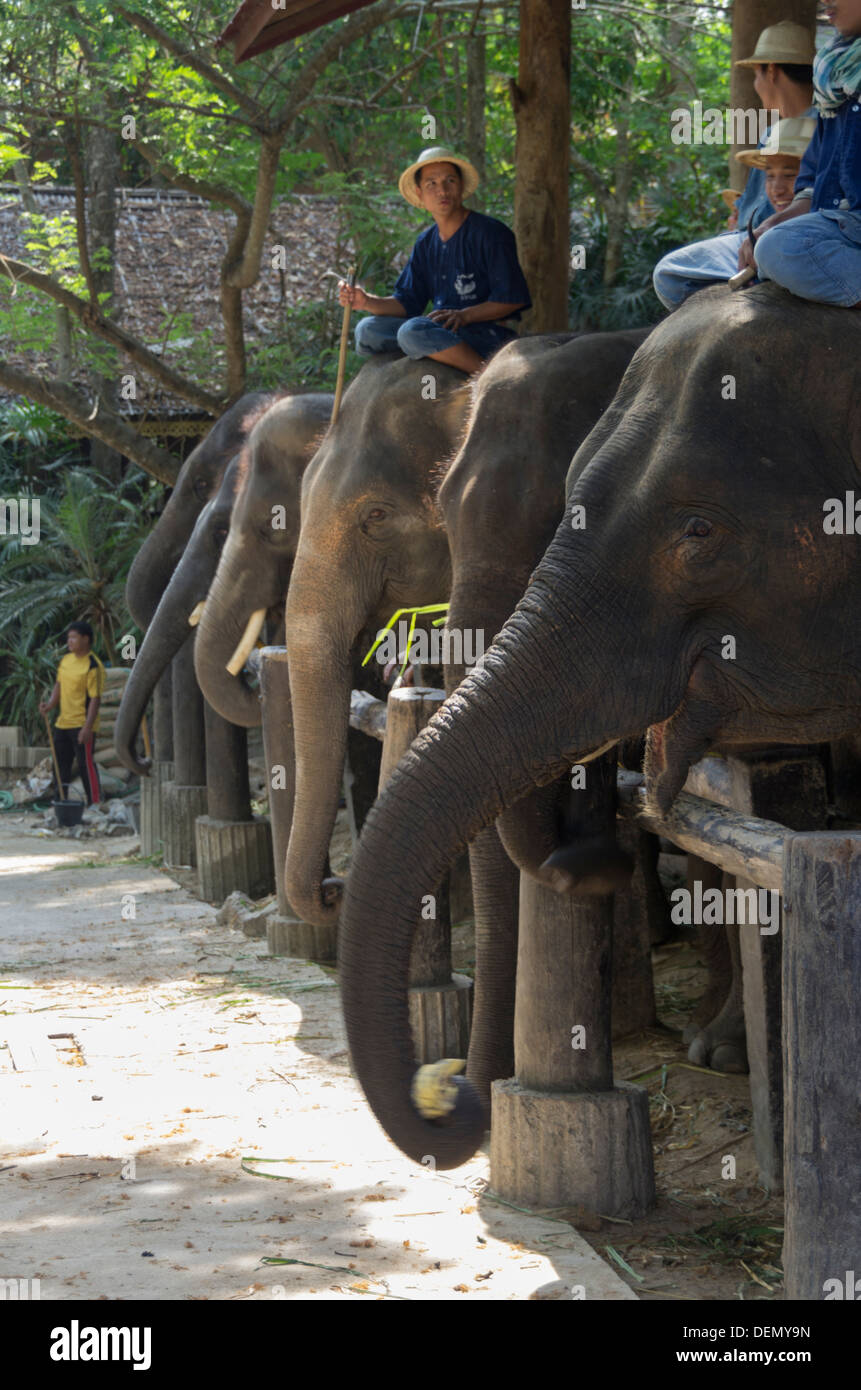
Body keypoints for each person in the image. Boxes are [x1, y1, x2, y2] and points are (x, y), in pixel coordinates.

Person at [653, 20, 815, 310]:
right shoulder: (827, 125)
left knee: (669, 273)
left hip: (770, 243)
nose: (756, 85)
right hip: (775, 242)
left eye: (756, 74)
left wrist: (745, 230)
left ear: (771, 70)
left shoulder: (798, 132)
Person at [339, 146, 531, 375]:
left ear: (460, 187)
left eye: (450, 181)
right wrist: (366, 301)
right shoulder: (425, 243)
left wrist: (465, 315)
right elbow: (408, 301)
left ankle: (486, 378)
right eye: (432, 183)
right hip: (439, 332)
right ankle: (426, 351)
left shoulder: (490, 233)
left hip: (485, 334)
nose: (442, 191)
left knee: (413, 332)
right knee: (367, 330)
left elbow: (512, 299)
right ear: (420, 193)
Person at [741, 0, 861, 308]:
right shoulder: (833, 77)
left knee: (780, 249)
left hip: (845, 230)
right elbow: (811, 188)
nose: (826, 1)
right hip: (833, 226)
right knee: (671, 273)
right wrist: (771, 223)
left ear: (770, 71)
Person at [39, 621, 105, 806]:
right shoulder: (66, 660)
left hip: (82, 724)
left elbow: (95, 699)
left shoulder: (93, 666)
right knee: (60, 766)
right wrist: (50, 704)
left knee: (86, 765)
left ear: (86, 639)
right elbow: (59, 685)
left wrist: (87, 728)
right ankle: (60, 801)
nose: (70, 641)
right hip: (63, 722)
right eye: (69, 637)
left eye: (74, 637)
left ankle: (94, 802)